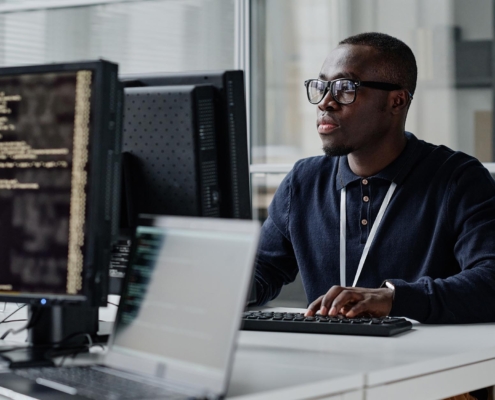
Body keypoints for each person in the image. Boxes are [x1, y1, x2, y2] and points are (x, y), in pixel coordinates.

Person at [253, 32, 495, 325]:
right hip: (328, 358)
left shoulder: (458, 179)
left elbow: (489, 280)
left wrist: (394, 299)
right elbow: (261, 272)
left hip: (426, 363)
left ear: (396, 101)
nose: (325, 102)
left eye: (345, 88)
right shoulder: (303, 181)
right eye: (321, 87)